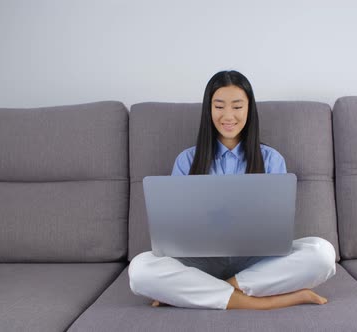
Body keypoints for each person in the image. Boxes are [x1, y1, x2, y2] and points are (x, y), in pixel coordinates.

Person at [128, 70, 336, 310]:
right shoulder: (187, 160)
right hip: (201, 261)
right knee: (140, 269)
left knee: (322, 253)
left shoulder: (271, 159)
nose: (228, 116)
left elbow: (276, 226)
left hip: (256, 261)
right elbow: (176, 231)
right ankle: (263, 302)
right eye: (219, 106)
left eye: (237, 106)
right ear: (209, 110)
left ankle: (211, 289)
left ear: (249, 109)